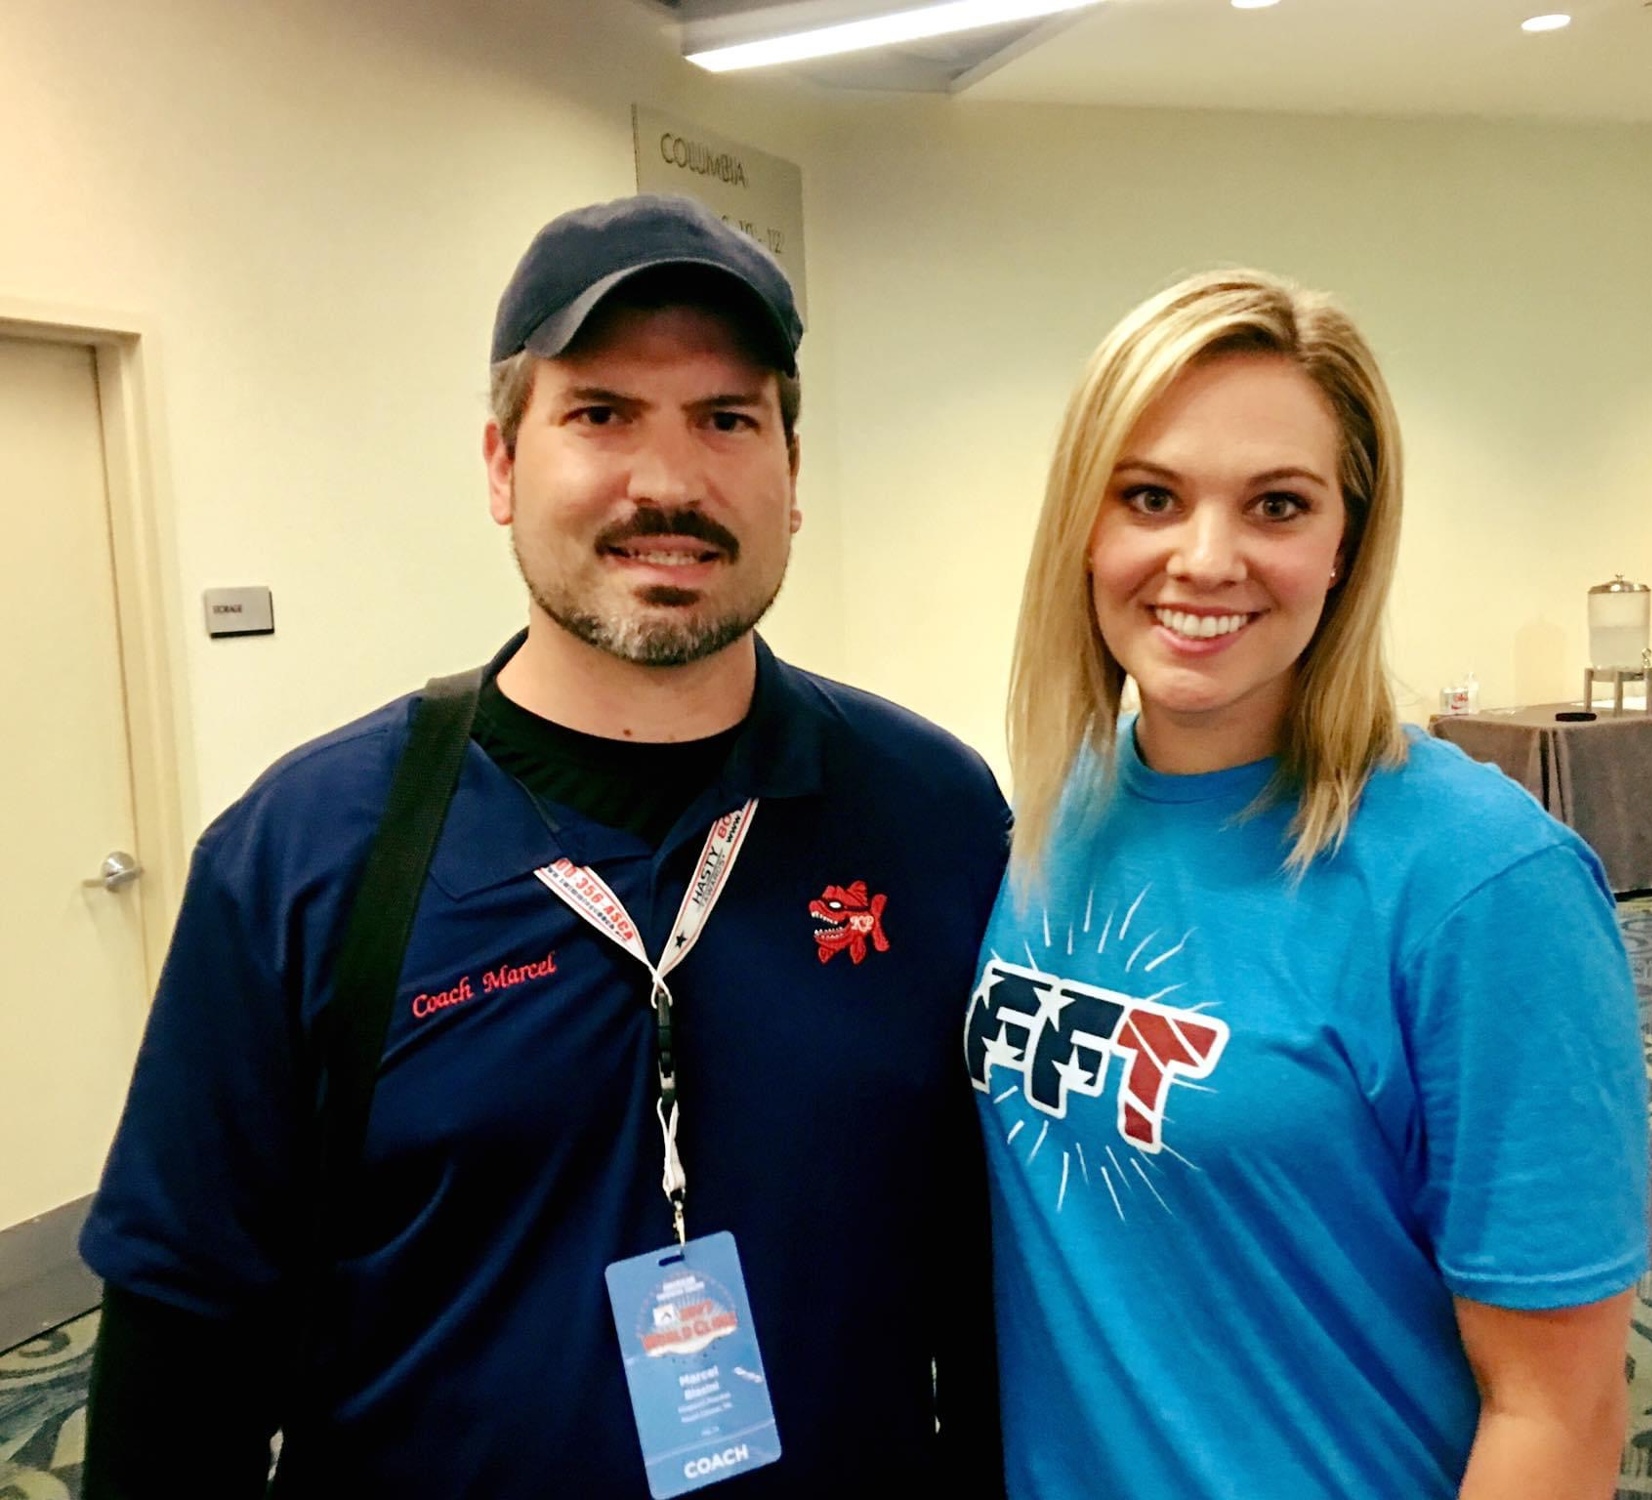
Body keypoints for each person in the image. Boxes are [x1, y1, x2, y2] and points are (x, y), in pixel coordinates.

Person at [80, 195, 1008, 1498]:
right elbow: (183, 1349)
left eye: (726, 420)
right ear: (502, 464)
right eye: (602, 413)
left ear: (792, 475)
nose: (669, 484)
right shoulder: (308, 853)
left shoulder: (934, 816)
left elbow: (990, 1286)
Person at [965, 269, 1649, 1498]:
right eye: (1149, 496)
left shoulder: (1483, 885)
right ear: (1084, 525)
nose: (1203, 559)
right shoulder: (1061, 811)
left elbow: (1556, 1408)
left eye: (1275, 505)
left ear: (1344, 544)